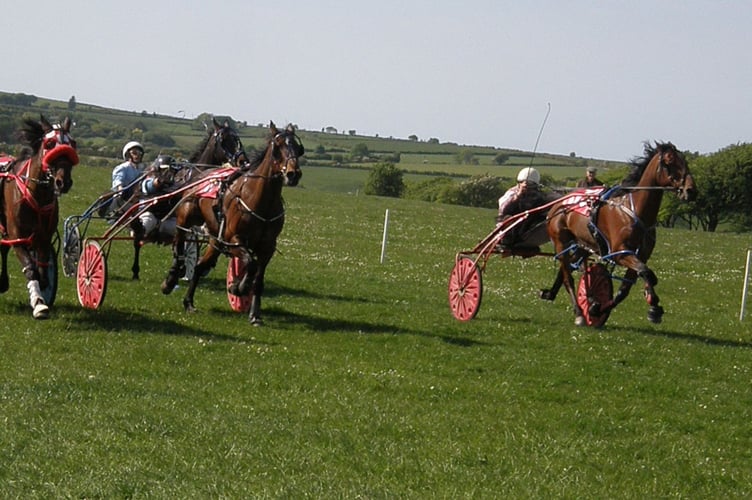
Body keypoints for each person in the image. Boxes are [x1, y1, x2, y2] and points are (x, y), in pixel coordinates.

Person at [496, 167, 549, 250]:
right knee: (509, 218)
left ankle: (527, 243)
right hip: (510, 227)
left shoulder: (539, 196)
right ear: (519, 183)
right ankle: (506, 242)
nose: (528, 188)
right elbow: (503, 209)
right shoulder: (512, 192)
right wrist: (518, 196)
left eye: (531, 186)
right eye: (523, 183)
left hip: (527, 228)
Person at [132, 154, 179, 240]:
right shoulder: (149, 180)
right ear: (157, 170)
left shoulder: (176, 185)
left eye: (171, 171)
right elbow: (149, 186)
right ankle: (138, 231)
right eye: (165, 170)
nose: (168, 173)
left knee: (183, 228)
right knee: (147, 221)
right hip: (150, 214)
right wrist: (158, 182)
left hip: (168, 219)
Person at [102, 141, 147, 217]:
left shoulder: (141, 169)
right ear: (128, 154)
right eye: (134, 153)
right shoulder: (123, 167)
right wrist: (120, 189)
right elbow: (118, 181)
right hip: (123, 197)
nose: (138, 155)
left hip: (135, 198)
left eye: (140, 153)